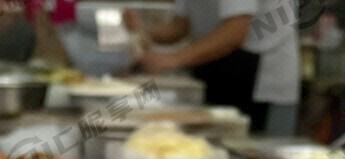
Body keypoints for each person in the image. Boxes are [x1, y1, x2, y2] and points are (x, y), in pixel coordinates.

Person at [127, 0, 300, 134]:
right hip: (219, 65)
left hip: (259, 76)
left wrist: (172, 59)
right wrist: (143, 30)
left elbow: (236, 31)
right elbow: (182, 25)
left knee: (249, 158)